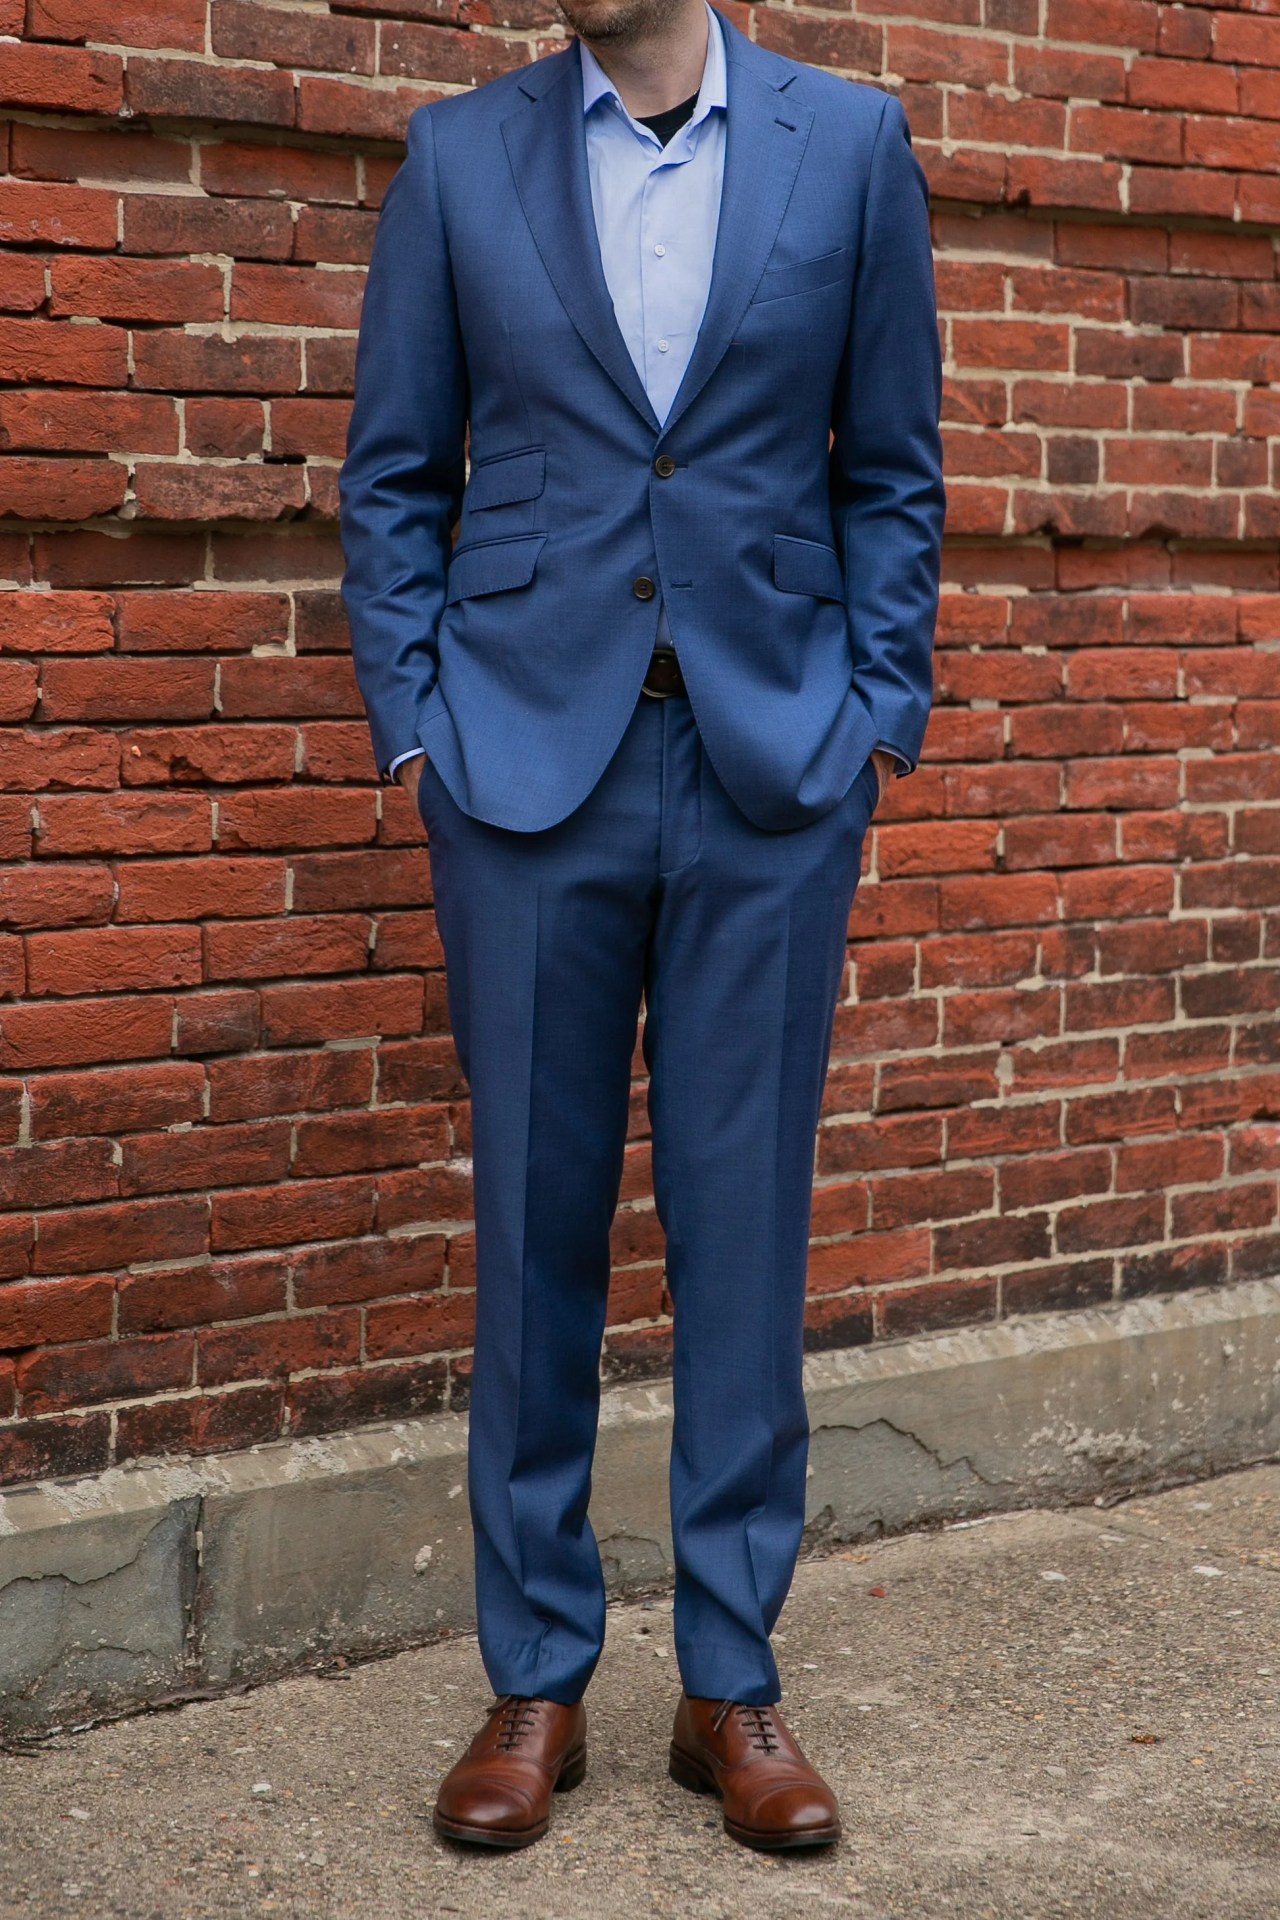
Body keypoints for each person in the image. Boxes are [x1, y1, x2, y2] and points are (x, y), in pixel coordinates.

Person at [339, 0, 944, 1854]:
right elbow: (393, 478)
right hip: (527, 770)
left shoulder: (849, 148)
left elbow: (892, 471)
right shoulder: (459, 160)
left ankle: (731, 1685)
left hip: (772, 770)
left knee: (743, 1224)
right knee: (533, 1221)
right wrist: (420, 727)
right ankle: (536, 1679)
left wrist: (874, 724)